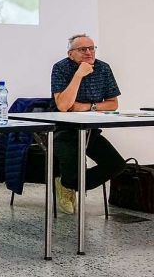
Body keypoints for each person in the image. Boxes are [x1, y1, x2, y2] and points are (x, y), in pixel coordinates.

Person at [51, 33, 125, 214]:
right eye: (82, 49)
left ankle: (68, 184)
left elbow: (113, 104)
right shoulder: (60, 68)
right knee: (73, 168)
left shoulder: (103, 68)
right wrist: (78, 75)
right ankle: (69, 183)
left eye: (91, 48)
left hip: (90, 130)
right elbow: (63, 105)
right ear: (71, 54)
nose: (88, 52)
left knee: (117, 165)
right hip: (63, 130)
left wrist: (87, 107)